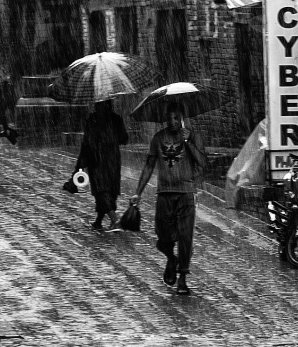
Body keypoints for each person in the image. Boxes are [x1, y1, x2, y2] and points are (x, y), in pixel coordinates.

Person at [130, 100, 207, 296]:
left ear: (182, 118)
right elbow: (149, 165)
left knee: (185, 237)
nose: (172, 121)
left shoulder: (193, 136)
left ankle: (182, 278)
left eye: (176, 118)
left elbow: (202, 162)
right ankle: (171, 259)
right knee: (163, 237)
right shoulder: (158, 138)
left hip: (186, 194)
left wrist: (188, 142)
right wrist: (138, 192)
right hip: (164, 193)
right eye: (169, 118)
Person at [67, 99, 129, 232]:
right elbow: (124, 139)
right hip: (113, 160)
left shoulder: (93, 119)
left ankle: (115, 220)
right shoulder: (116, 118)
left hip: (96, 160)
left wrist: (80, 164)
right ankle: (98, 221)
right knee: (110, 190)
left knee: (101, 191)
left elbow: (87, 142)